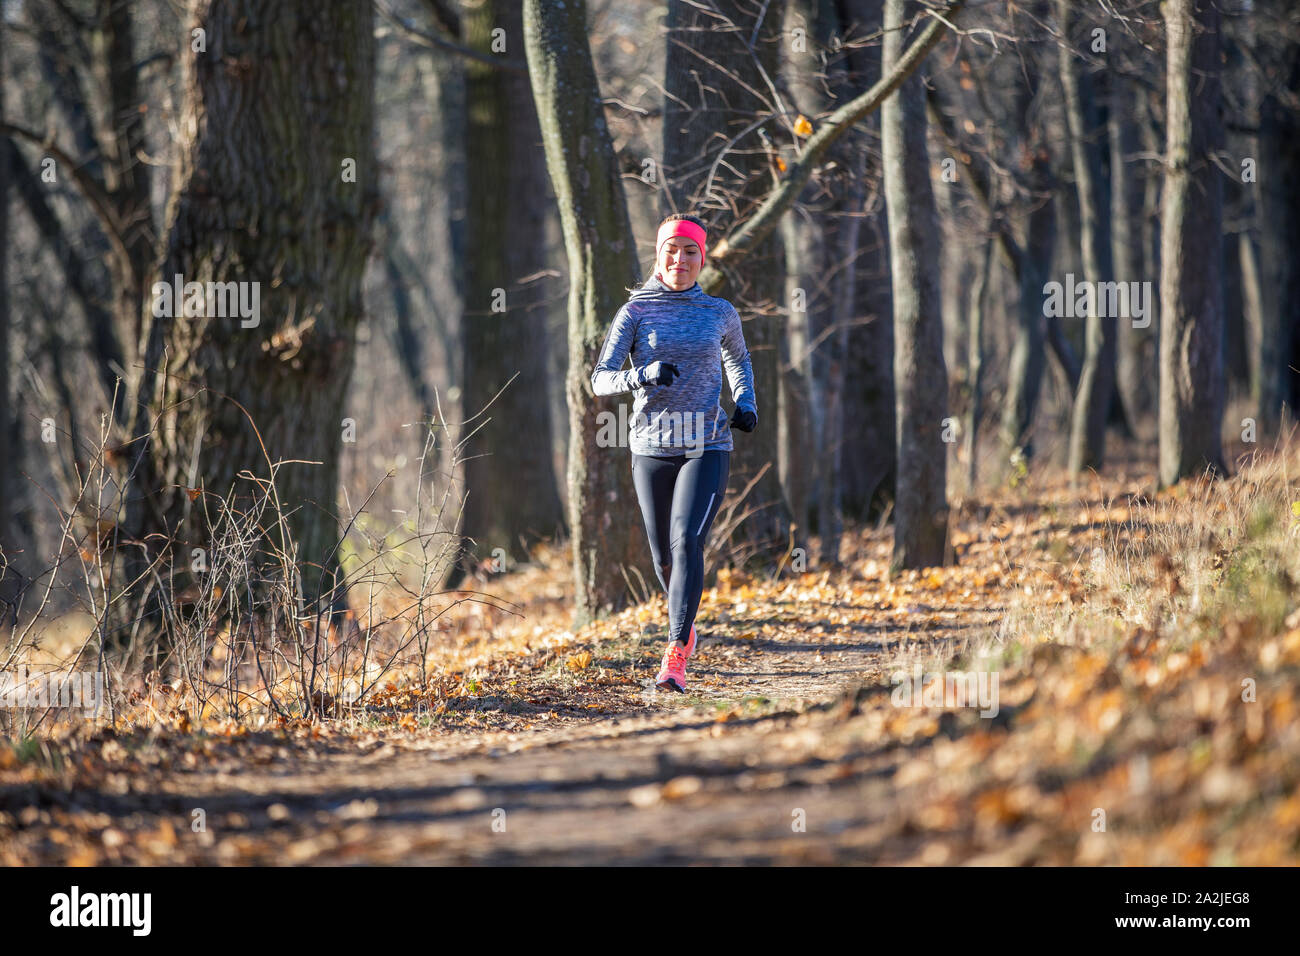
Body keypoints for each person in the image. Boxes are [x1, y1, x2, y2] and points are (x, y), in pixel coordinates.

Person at [590, 213, 758, 693]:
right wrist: (640, 375)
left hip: (706, 443)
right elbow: (600, 379)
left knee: (688, 543)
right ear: (659, 255)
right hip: (650, 446)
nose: (680, 260)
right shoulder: (635, 312)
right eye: (672, 250)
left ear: (701, 259)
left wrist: (745, 401)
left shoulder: (719, 312)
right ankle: (686, 622)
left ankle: (675, 657)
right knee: (664, 557)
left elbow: (738, 359)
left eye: (690, 252)